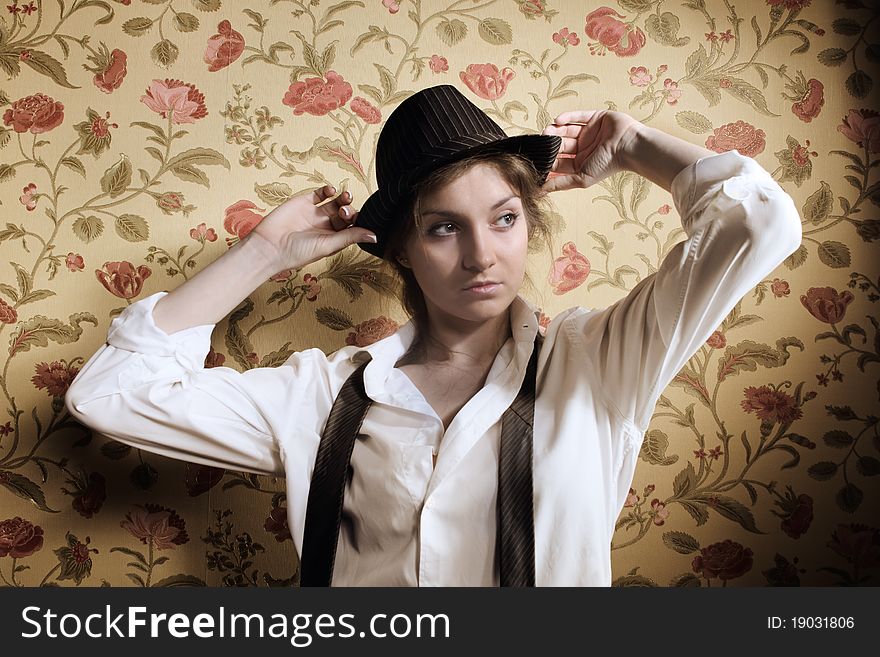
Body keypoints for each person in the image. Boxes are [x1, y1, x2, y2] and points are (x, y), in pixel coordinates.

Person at [65, 84, 803, 586]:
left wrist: (638, 146)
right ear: (400, 249)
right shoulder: (323, 395)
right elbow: (113, 393)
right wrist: (262, 252)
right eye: (445, 227)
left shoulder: (598, 362)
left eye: (504, 218)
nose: (482, 255)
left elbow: (758, 222)